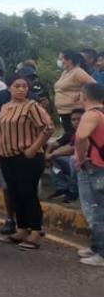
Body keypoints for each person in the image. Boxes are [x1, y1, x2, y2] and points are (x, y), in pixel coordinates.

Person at [0, 74, 54, 250]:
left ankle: (35, 231)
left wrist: (33, 149)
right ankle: (21, 229)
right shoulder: (5, 107)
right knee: (14, 194)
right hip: (7, 157)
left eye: (24, 86)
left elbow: (48, 127)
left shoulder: (31, 106)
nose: (21, 89)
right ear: (9, 88)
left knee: (28, 194)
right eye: (17, 85)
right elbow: (1, 133)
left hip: (27, 157)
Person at [73, 83, 104, 266]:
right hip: (101, 164)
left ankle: (102, 254)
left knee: (95, 211)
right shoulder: (101, 112)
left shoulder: (91, 114)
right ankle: (96, 246)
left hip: (93, 167)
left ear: (84, 96)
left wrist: (81, 157)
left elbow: (81, 136)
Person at [54, 50, 96, 136]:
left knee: (74, 137)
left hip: (73, 111)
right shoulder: (65, 73)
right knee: (69, 137)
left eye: (61, 58)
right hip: (63, 111)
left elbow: (94, 85)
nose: (60, 61)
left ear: (69, 60)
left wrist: (81, 94)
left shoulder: (78, 72)